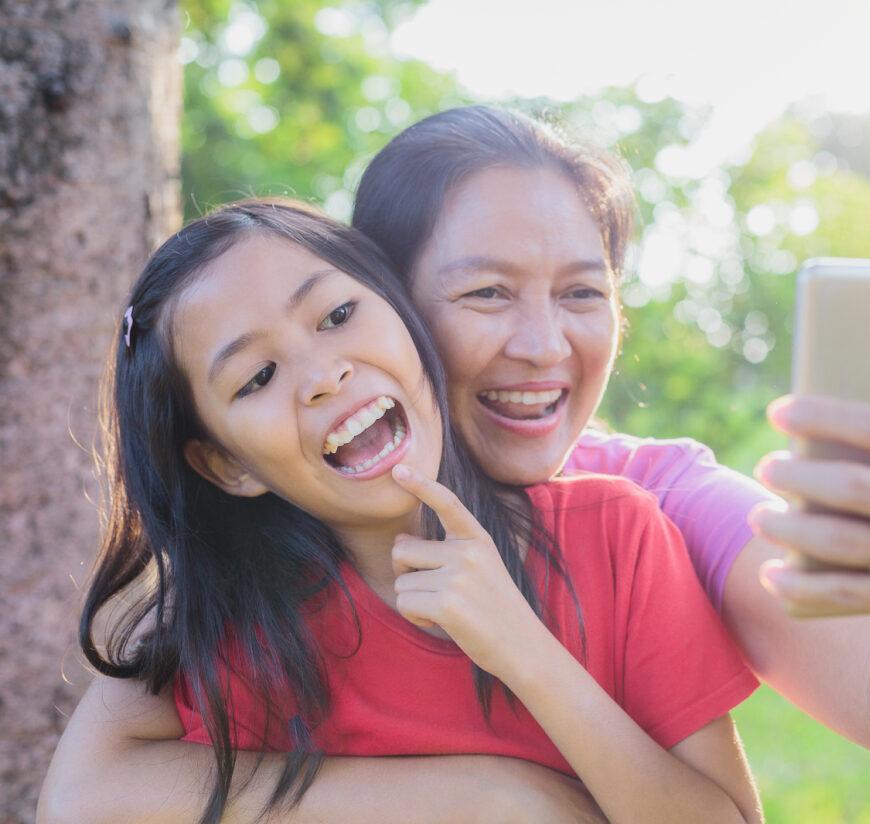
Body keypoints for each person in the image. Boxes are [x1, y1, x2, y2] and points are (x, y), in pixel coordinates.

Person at [42, 106, 870, 820]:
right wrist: (488, 796)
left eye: (580, 292)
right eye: (485, 294)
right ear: (400, 292)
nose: (543, 346)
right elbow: (88, 795)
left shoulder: (638, 509)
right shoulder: (244, 585)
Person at [39, 200, 762, 824]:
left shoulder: (615, 535)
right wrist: (486, 799)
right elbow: (79, 803)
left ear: (405, 313)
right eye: (257, 376)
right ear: (226, 464)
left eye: (339, 315)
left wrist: (527, 652)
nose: (325, 376)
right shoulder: (230, 633)